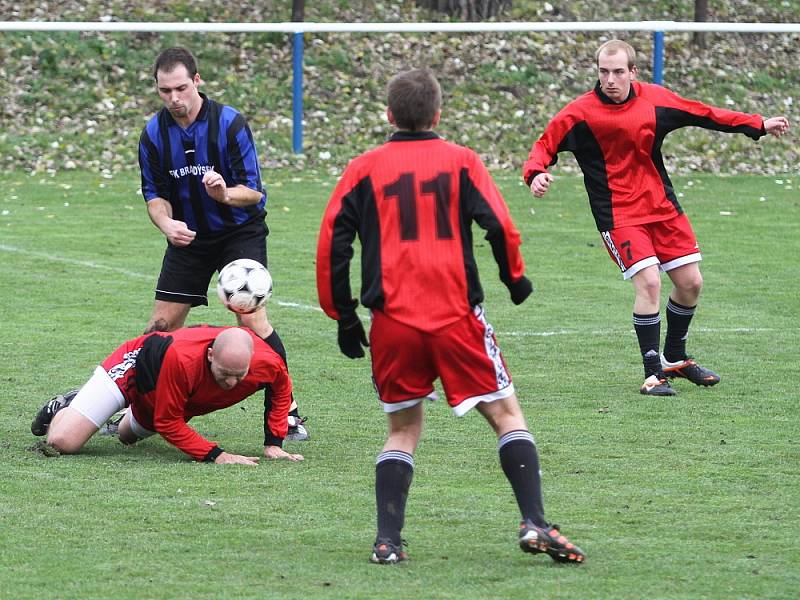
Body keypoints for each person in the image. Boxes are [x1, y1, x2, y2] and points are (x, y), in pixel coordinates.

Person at [316, 69, 585, 565]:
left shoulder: (363, 167)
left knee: (402, 430)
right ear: (438, 114)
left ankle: (387, 542)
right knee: (505, 416)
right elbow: (500, 225)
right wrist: (514, 278)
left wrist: (344, 315)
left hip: (393, 322)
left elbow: (333, 239)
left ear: (389, 115)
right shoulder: (461, 160)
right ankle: (534, 522)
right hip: (456, 316)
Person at [523, 39, 791, 396]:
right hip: (618, 214)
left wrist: (756, 123)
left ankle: (674, 358)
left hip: (662, 207)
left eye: (618, 72)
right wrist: (536, 173)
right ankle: (653, 375)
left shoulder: (654, 100)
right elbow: (543, 146)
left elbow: (704, 113)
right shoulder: (580, 113)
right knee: (649, 282)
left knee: (691, 283)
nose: (610, 79)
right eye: (604, 72)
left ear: (633, 72)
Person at [138, 46, 307, 439]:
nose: (174, 99)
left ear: (197, 81)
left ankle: (288, 414)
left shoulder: (230, 124)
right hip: (189, 239)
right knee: (160, 326)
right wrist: (166, 223)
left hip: (239, 232)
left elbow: (254, 191)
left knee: (250, 319)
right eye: (165, 91)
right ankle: (134, 403)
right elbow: (155, 194)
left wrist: (224, 194)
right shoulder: (153, 134)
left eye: (181, 88)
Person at [30, 326, 304, 464]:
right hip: (135, 369)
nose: (232, 382)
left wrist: (273, 443)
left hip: (166, 394)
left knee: (126, 436)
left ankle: (94, 407)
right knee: (62, 442)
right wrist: (216, 455)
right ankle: (68, 405)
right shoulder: (182, 359)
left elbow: (281, 392)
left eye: (239, 374)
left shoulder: (270, 363)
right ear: (210, 355)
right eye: (224, 373)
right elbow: (168, 423)